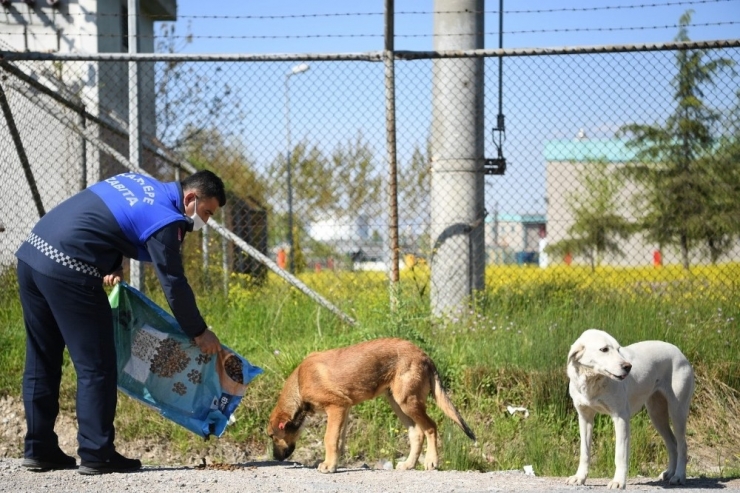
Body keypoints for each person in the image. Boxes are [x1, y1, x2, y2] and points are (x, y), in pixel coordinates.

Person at [14, 170, 226, 475]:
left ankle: (38, 448)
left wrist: (111, 263)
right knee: (96, 366)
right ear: (190, 198)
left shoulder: (138, 181)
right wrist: (199, 331)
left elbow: (106, 218)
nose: (205, 221)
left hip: (31, 257)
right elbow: (173, 283)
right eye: (206, 212)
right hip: (69, 269)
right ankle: (96, 453)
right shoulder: (167, 216)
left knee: (41, 359)